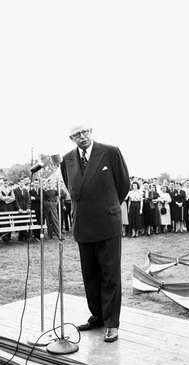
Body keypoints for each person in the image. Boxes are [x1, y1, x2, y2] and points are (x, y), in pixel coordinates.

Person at [61, 124, 130, 343]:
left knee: (110, 275)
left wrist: (108, 206)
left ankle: (111, 323)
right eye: (76, 135)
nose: (82, 137)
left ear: (91, 132)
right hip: (83, 225)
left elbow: (124, 184)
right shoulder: (67, 159)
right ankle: (98, 317)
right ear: (71, 138)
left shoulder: (110, 152)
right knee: (90, 275)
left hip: (107, 223)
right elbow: (73, 188)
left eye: (85, 132)